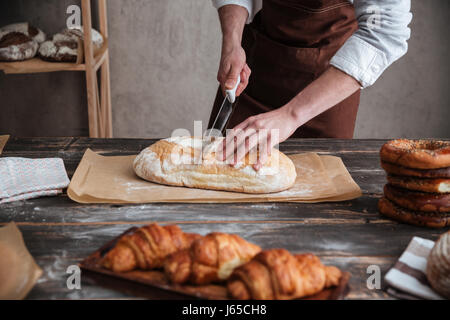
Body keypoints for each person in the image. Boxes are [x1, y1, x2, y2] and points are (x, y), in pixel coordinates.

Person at [209, 0, 412, 170]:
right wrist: (232, 42)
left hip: (328, 82)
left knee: (320, 187)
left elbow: (383, 32)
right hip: (257, 65)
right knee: (214, 167)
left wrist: (291, 115)